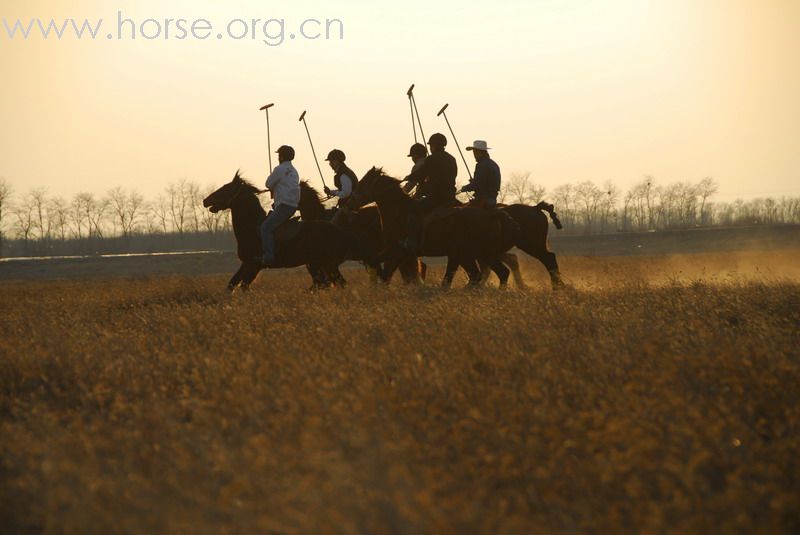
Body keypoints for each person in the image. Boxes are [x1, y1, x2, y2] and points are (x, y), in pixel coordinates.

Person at [402, 133, 458, 252]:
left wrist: (408, 177)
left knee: (412, 209)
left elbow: (421, 173)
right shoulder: (451, 159)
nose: (430, 148)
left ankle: (413, 240)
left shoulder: (432, 160)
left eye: (431, 145)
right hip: (450, 196)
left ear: (434, 146)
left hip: (435, 198)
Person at [259, 145, 300, 266]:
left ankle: (269, 257)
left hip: (283, 206)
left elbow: (268, 184)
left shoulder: (279, 169)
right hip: (292, 206)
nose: (278, 157)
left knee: (265, 228)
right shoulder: (294, 171)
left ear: (281, 156)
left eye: (279, 155)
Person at [460, 140, 501, 208]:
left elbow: (478, 184)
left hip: (483, 200)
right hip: (492, 199)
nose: (474, 154)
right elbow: (485, 182)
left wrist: (465, 188)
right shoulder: (493, 164)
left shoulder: (482, 165)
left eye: (475, 152)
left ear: (480, 152)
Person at [323, 149, 358, 224]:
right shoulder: (344, 171)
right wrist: (330, 192)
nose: (330, 164)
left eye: (331, 161)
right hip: (348, 204)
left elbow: (345, 193)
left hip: (350, 207)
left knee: (332, 224)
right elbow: (343, 191)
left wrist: (335, 193)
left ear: (337, 161)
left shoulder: (343, 175)